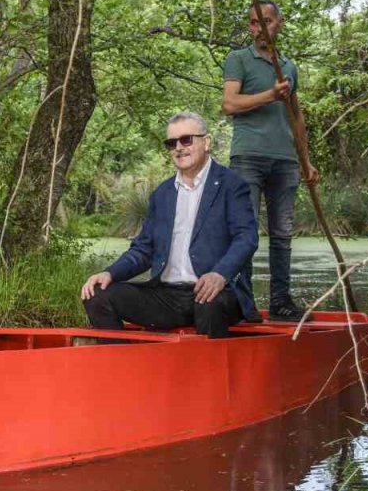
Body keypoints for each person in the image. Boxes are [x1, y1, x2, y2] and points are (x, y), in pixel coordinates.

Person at [80, 112, 258, 338]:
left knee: (209, 301)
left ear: (207, 142)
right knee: (97, 294)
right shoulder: (162, 194)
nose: (179, 148)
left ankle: (209, 370)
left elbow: (246, 238)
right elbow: (143, 250)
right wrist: (109, 273)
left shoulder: (232, 185)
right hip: (167, 296)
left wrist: (220, 274)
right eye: (171, 143)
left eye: (186, 140)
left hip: (218, 292)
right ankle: (122, 365)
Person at [221, 1, 319, 322]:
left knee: (282, 234)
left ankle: (280, 301)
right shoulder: (239, 59)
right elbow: (230, 103)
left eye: (266, 21)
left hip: (286, 161)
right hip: (248, 156)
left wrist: (305, 161)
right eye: (253, 23)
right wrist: (270, 95)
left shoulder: (288, 67)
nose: (259, 29)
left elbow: (297, 117)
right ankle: (243, 304)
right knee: (244, 231)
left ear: (279, 23)